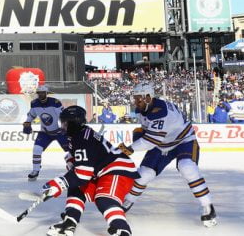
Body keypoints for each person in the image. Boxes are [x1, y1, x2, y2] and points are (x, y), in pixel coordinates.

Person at [118, 83, 217, 227]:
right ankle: (128, 201)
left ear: (148, 97)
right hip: (162, 144)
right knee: (144, 174)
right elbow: (150, 133)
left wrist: (129, 149)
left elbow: (149, 141)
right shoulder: (143, 109)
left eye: (138, 98)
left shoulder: (161, 112)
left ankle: (208, 206)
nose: (135, 101)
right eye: (135, 98)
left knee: (187, 167)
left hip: (183, 141)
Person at [41, 106, 138, 236]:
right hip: (102, 170)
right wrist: (70, 162)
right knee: (74, 184)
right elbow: (79, 161)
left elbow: (83, 174)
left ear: (73, 123)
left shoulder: (83, 138)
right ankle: (70, 221)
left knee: (104, 199)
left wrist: (58, 183)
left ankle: (122, 230)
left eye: (65, 123)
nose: (62, 126)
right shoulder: (78, 134)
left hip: (117, 168)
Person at [23, 85, 69, 180]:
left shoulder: (55, 103)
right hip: (44, 133)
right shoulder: (34, 103)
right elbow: (32, 115)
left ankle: (75, 168)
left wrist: (65, 127)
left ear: (46, 93)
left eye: (42, 93)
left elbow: (63, 116)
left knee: (70, 150)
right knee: (36, 149)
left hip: (59, 132)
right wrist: (27, 122)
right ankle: (35, 170)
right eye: (39, 93)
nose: (40, 95)